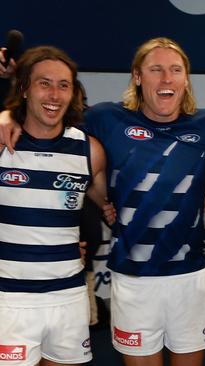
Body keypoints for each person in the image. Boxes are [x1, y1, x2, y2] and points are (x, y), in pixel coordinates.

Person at [0, 37, 205, 366]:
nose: (166, 79)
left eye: (175, 70)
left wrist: (198, 203)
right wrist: (7, 115)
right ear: (137, 77)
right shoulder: (107, 119)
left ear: (186, 79)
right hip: (132, 279)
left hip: (189, 277)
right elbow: (50, 123)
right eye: (156, 69)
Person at [0, 46, 107, 366]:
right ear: (23, 88)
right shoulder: (3, 142)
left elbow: (111, 208)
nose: (55, 94)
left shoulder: (90, 150)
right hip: (10, 301)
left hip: (68, 297)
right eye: (44, 83)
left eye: (64, 85)